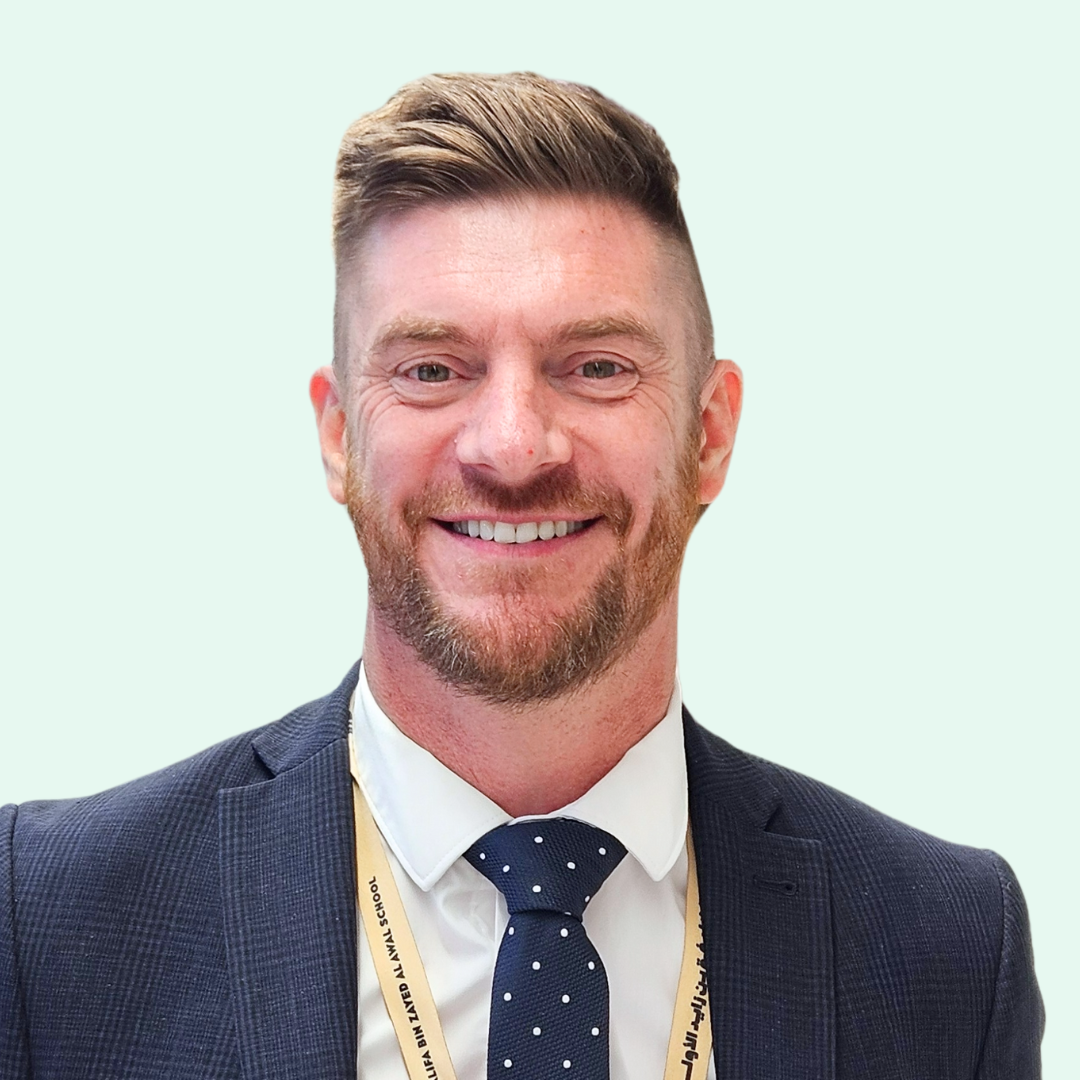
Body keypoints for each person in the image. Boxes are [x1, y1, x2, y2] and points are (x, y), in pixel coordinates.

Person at [0, 72, 1042, 1080]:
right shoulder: (47, 925)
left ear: (711, 435)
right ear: (338, 437)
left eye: (597, 367)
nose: (511, 447)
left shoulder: (945, 949)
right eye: (431, 370)